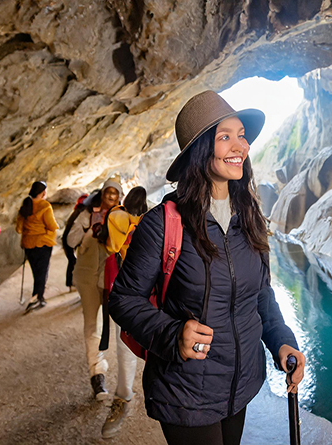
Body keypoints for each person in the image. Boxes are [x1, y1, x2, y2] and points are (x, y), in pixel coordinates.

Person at [109, 90, 306, 445]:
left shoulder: (251, 219)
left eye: (242, 135)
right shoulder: (162, 224)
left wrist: (282, 342)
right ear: (201, 150)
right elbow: (123, 299)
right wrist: (172, 334)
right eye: (225, 137)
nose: (239, 146)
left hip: (239, 384)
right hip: (185, 392)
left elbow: (261, 294)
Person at [66, 178, 123, 401]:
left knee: (122, 325)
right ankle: (96, 373)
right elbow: (71, 241)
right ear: (101, 194)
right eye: (108, 192)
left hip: (113, 278)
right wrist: (90, 231)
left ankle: (125, 382)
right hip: (88, 276)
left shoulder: (123, 215)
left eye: (115, 193)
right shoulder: (88, 214)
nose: (111, 196)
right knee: (93, 326)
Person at [100, 186, 148, 438]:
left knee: (123, 342)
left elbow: (110, 246)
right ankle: (125, 393)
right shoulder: (146, 223)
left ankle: (124, 394)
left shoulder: (115, 217)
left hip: (121, 285)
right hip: (142, 288)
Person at [15, 181, 58, 312]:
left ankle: (37, 296)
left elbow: (18, 229)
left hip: (28, 244)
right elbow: (52, 225)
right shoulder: (45, 206)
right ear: (43, 193)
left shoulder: (25, 206)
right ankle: (37, 298)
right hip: (43, 243)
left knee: (36, 272)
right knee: (42, 272)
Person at [61, 192, 90, 291]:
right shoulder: (83, 213)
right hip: (70, 241)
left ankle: (71, 284)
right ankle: (72, 284)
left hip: (68, 240)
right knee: (74, 262)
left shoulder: (77, 210)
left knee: (73, 261)